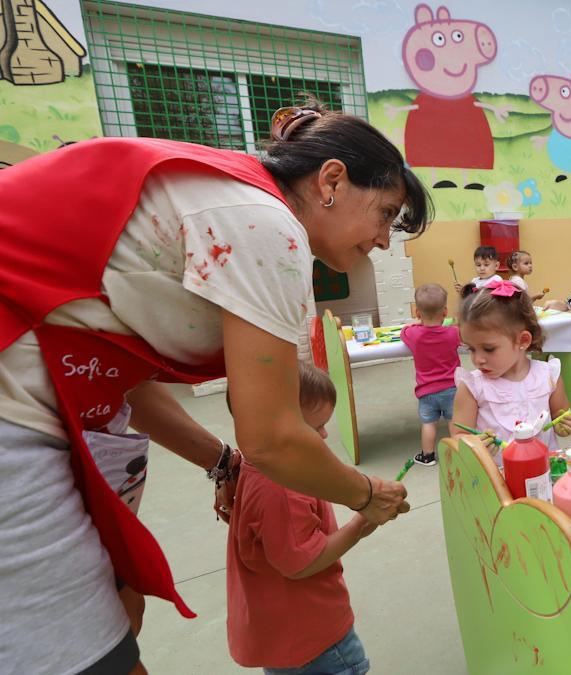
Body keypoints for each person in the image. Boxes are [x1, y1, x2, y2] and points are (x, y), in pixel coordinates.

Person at [0, 99, 426, 673]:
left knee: (117, 618)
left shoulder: (226, 199)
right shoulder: (265, 224)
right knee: (88, 654)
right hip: (19, 416)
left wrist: (224, 464)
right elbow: (273, 436)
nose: (382, 240)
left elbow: (123, 382)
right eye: (384, 213)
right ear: (331, 180)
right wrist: (366, 496)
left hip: (57, 400)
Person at [227, 364, 376, 674]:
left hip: (284, 636)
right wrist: (359, 527)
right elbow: (302, 562)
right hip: (316, 639)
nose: (323, 435)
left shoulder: (262, 464)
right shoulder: (282, 487)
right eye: (314, 428)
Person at [450, 280, 571, 467]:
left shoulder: (548, 376)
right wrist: (475, 445)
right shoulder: (472, 387)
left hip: (545, 473)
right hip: (497, 482)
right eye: (471, 348)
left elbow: (561, 415)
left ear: (523, 340)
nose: (478, 359)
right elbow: (458, 434)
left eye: (488, 348)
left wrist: (566, 424)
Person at [402, 284, 461, 467]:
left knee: (429, 424)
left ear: (417, 312)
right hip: (451, 388)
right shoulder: (453, 333)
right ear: (445, 312)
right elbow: (461, 332)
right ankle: (459, 453)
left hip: (426, 391)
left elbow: (404, 331)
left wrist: (416, 324)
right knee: (454, 421)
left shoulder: (414, 334)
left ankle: (427, 456)